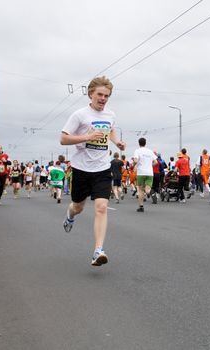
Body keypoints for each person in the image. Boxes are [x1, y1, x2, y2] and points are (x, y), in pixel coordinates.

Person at [60, 76, 126, 266]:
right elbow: (63, 139)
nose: (103, 98)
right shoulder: (79, 115)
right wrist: (87, 136)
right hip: (81, 168)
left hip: (102, 168)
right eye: (100, 94)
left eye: (106, 95)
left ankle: (98, 250)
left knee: (101, 207)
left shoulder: (110, 115)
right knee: (78, 207)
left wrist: (117, 142)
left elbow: (111, 130)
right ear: (91, 94)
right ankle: (70, 216)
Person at [132, 137, 157, 211]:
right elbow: (156, 162)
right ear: (145, 143)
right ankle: (149, 192)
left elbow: (136, 161)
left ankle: (141, 207)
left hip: (141, 173)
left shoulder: (137, 151)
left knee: (140, 190)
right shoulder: (150, 151)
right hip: (149, 173)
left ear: (139, 143)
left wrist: (133, 165)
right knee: (147, 188)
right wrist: (150, 165)